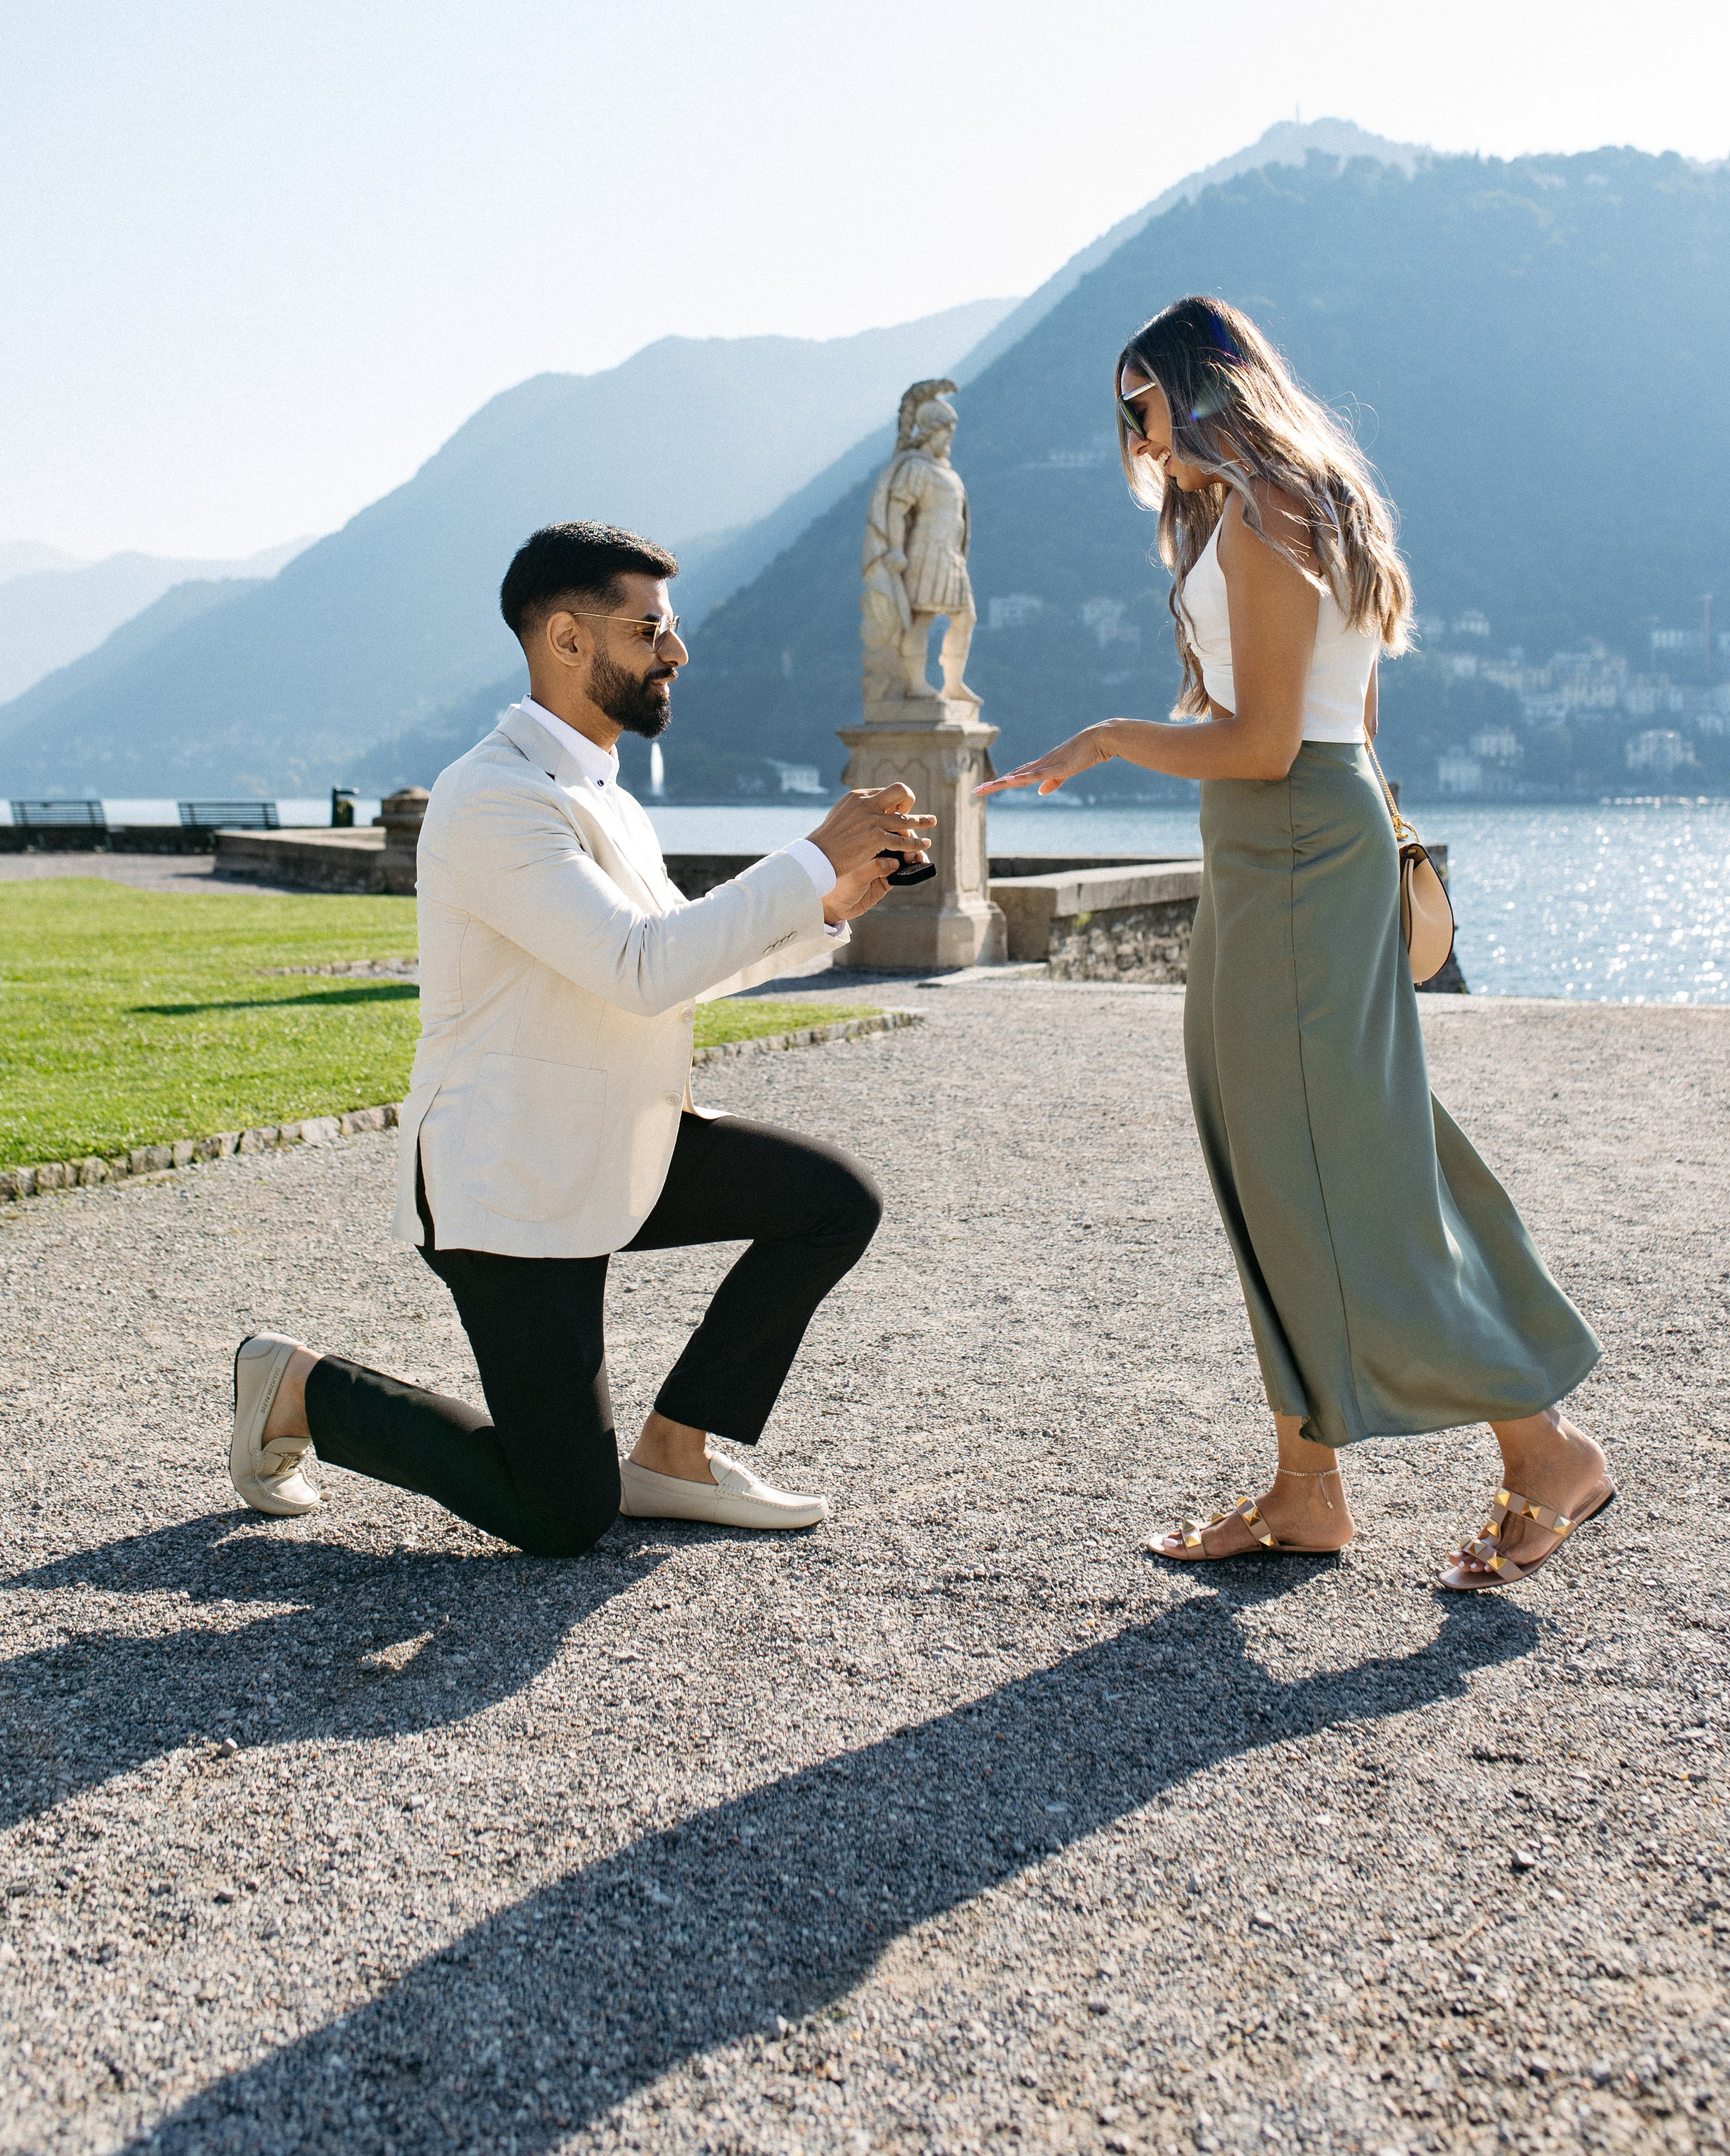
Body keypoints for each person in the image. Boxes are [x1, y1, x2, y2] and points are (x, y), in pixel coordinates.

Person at [981, 299, 1611, 1592]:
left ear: (1201, 389)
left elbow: (1273, 743)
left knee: (1337, 1168)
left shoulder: (1265, 512)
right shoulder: (1273, 508)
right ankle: (1306, 1488)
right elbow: (1347, 718)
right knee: (1302, 1157)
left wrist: (1107, 738)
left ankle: (1541, 1448)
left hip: (1286, 844)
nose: (1134, 435)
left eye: (1141, 403)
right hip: (1287, 847)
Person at [228, 520, 932, 1557]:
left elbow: (673, 964)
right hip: (510, 1177)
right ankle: (299, 1389)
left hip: (618, 1143)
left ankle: (676, 1452)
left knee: (834, 1203)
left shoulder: (606, 796)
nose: (677, 651)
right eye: (651, 628)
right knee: (561, 1516)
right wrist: (808, 850)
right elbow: (638, 966)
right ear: (566, 639)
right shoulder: (493, 798)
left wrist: (826, 902)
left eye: (671, 626)